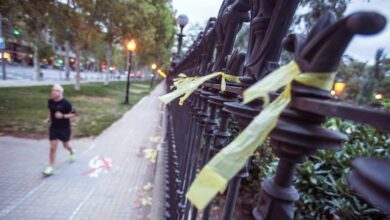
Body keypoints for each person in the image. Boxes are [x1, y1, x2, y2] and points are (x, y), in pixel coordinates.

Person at [43, 84, 76, 176]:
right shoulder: (50, 101)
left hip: (64, 128)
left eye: (57, 90)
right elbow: (50, 111)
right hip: (54, 128)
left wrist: (63, 116)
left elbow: (73, 114)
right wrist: (48, 118)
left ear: (61, 93)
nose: (54, 92)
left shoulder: (66, 103)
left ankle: (72, 151)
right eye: (53, 90)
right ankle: (51, 167)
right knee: (53, 148)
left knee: (66, 145)